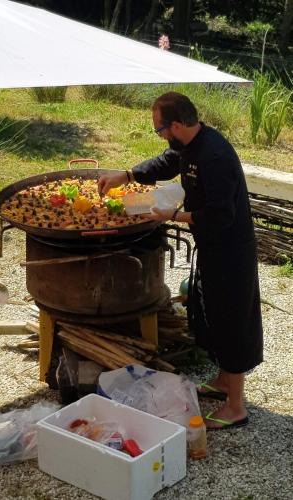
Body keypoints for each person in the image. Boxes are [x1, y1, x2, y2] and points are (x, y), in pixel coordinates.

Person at [98, 91, 263, 430]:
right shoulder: (190, 145)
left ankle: (236, 407)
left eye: (159, 130)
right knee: (212, 314)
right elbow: (166, 163)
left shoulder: (214, 155)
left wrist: (173, 215)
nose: (160, 136)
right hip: (213, 246)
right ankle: (222, 381)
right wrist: (125, 176)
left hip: (231, 249)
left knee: (231, 321)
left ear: (175, 124)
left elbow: (221, 215)